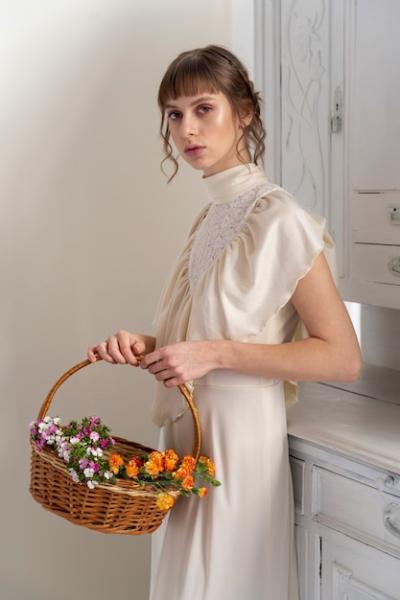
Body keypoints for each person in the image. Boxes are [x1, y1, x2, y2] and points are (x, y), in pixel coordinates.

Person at [87, 44, 362, 600]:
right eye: (174, 113)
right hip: (186, 440)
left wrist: (210, 355)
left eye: (203, 108)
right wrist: (146, 344)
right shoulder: (210, 216)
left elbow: (342, 355)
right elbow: (209, 333)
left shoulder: (280, 218)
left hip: (240, 444)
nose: (187, 127)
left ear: (245, 112)